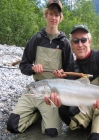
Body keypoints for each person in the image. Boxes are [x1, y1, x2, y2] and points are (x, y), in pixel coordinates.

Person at [7, 0, 74, 138]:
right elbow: (23, 66)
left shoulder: (64, 43)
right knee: (12, 126)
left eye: (56, 15)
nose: (53, 18)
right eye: (50, 13)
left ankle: (43, 115)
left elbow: (70, 73)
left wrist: (63, 75)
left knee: (51, 134)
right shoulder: (36, 39)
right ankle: (37, 114)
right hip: (33, 90)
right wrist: (32, 68)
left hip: (52, 95)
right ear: (46, 15)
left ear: (60, 17)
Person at [45, 24, 99, 140]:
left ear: (89, 41)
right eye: (76, 41)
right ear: (72, 45)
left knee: (96, 138)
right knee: (65, 112)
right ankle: (88, 126)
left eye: (83, 40)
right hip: (87, 105)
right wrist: (58, 102)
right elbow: (70, 99)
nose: (80, 44)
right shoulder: (71, 67)